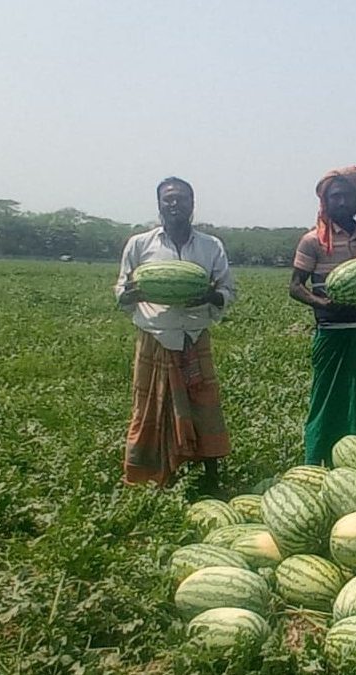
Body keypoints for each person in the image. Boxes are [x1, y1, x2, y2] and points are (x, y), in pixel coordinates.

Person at [115, 177, 235, 491]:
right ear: (159, 205)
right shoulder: (139, 245)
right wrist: (132, 295)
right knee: (150, 409)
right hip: (155, 336)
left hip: (194, 336)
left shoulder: (211, 246)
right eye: (168, 199)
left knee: (204, 408)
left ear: (192, 205)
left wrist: (209, 297)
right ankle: (151, 477)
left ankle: (210, 479)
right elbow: (122, 290)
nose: (174, 204)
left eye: (181, 198)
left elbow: (227, 290)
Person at [290, 166, 356, 466]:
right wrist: (321, 303)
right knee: (326, 398)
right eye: (335, 197)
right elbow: (295, 287)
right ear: (325, 202)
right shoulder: (313, 241)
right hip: (331, 331)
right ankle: (315, 460)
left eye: (347, 196)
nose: (341, 202)